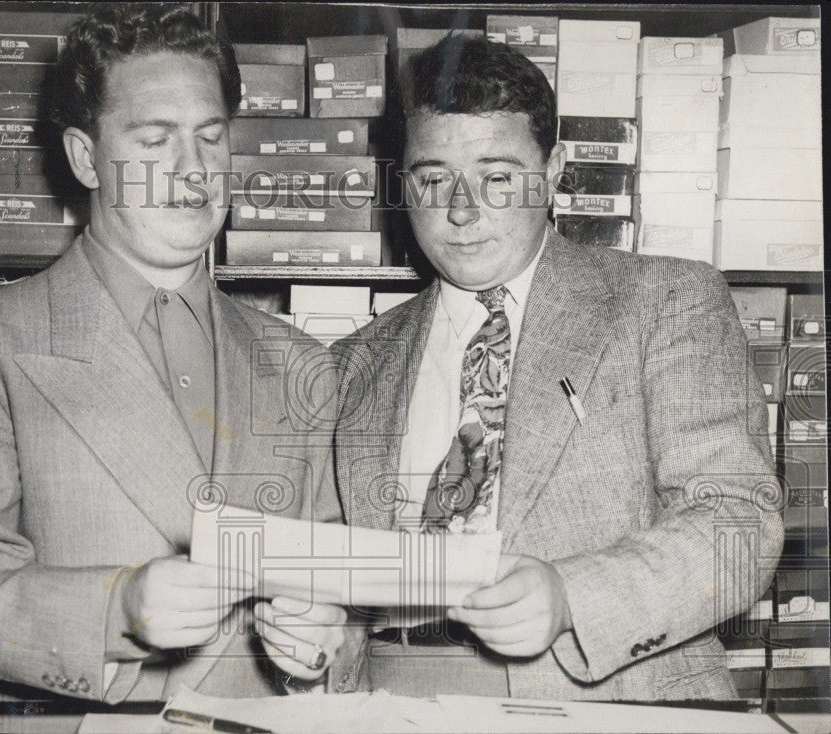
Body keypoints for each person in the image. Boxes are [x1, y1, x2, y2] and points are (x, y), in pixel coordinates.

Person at [0, 4, 352, 704]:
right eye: (154, 140)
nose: (193, 170)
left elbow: (333, 596)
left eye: (210, 137)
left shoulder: (301, 362)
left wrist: (320, 645)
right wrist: (116, 609)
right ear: (85, 158)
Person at [332, 36, 784, 700]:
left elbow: (739, 524)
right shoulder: (352, 362)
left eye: (497, 175)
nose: (461, 210)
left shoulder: (665, 301)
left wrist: (572, 597)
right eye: (433, 178)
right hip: (393, 692)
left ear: (555, 167)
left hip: (606, 689)